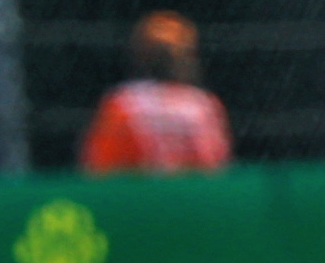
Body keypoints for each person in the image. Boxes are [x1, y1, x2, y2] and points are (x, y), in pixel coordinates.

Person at [81, 12, 233, 175]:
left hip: (137, 198)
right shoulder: (203, 106)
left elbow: (99, 168)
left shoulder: (123, 103)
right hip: (192, 198)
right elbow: (217, 168)